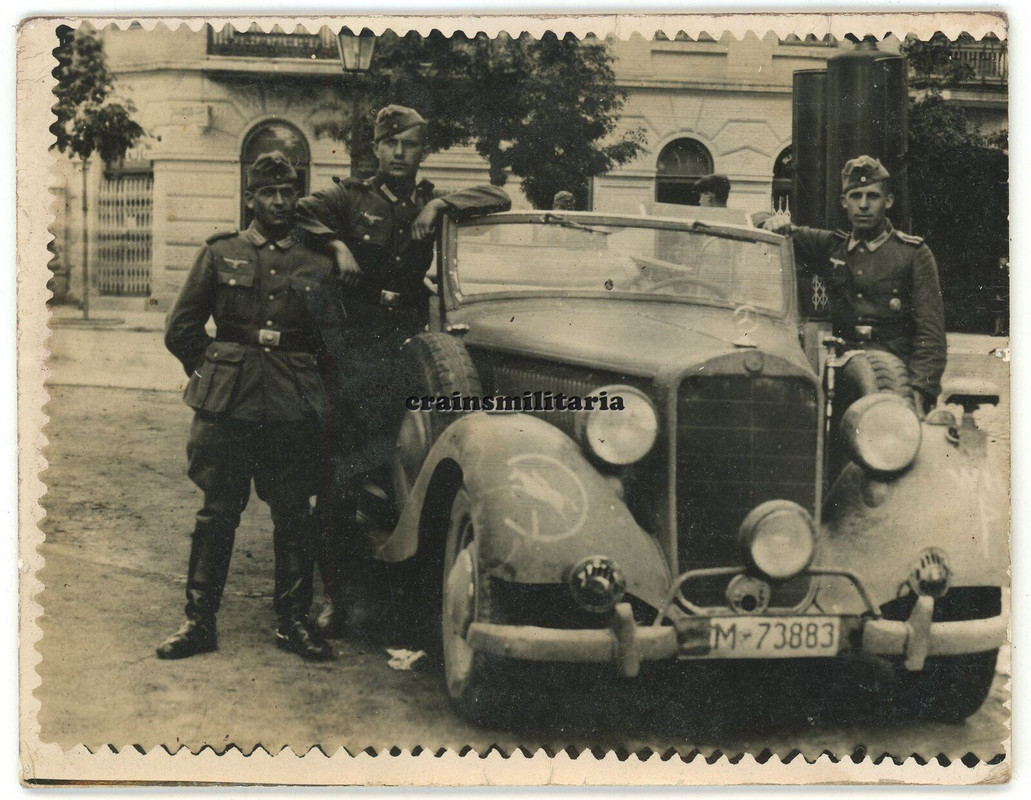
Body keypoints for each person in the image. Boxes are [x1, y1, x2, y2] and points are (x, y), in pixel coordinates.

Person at [294, 105, 511, 637]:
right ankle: (337, 599)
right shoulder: (349, 198)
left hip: (411, 353)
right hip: (357, 351)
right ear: (375, 149)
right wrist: (336, 243)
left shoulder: (429, 200)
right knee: (342, 479)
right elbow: (301, 209)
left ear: (421, 152)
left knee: (411, 472)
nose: (398, 154)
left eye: (408, 146)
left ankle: (411, 596)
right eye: (389, 145)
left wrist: (438, 203)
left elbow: (499, 197)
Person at [158, 151, 335, 662]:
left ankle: (293, 623)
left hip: (290, 409)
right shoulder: (220, 252)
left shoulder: (317, 262)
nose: (278, 202)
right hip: (228, 409)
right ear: (250, 198)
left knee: (293, 517)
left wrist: (310, 391)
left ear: (296, 195)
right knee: (217, 513)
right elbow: (182, 329)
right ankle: (198, 622)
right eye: (267, 193)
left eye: (287, 192)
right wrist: (215, 373)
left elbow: (331, 344)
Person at [764, 155, 946, 416]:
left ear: (888, 201)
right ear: (844, 202)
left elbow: (931, 334)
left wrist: (919, 392)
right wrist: (771, 221)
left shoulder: (913, 253)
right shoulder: (832, 247)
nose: (863, 205)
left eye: (872, 196)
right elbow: (775, 230)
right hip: (841, 376)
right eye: (855, 196)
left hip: (895, 379)